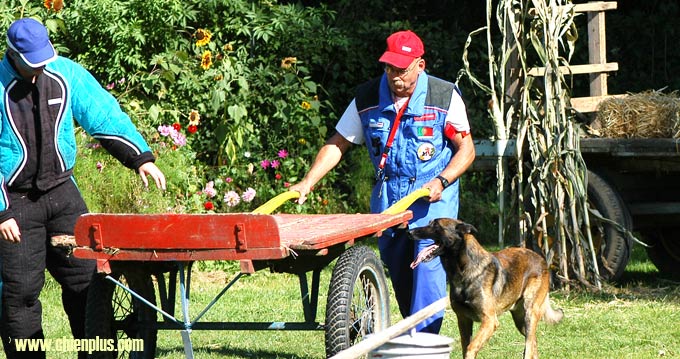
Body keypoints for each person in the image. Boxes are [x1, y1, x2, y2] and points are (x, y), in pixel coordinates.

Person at [0, 18, 166, 358]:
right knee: (20, 293)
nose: (41, 69)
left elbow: (103, 114)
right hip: (13, 202)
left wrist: (140, 158)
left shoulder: (66, 74)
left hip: (62, 193)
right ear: (13, 55)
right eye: (33, 63)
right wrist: (1, 211)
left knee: (87, 282)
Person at [290, 30, 475, 333]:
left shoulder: (444, 97)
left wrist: (443, 180)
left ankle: (424, 346)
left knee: (427, 273)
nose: (395, 76)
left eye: (402, 69)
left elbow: (466, 150)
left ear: (420, 65)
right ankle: (415, 333)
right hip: (389, 201)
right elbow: (339, 143)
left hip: (432, 201)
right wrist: (307, 182)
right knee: (400, 273)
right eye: (390, 68)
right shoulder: (366, 97)